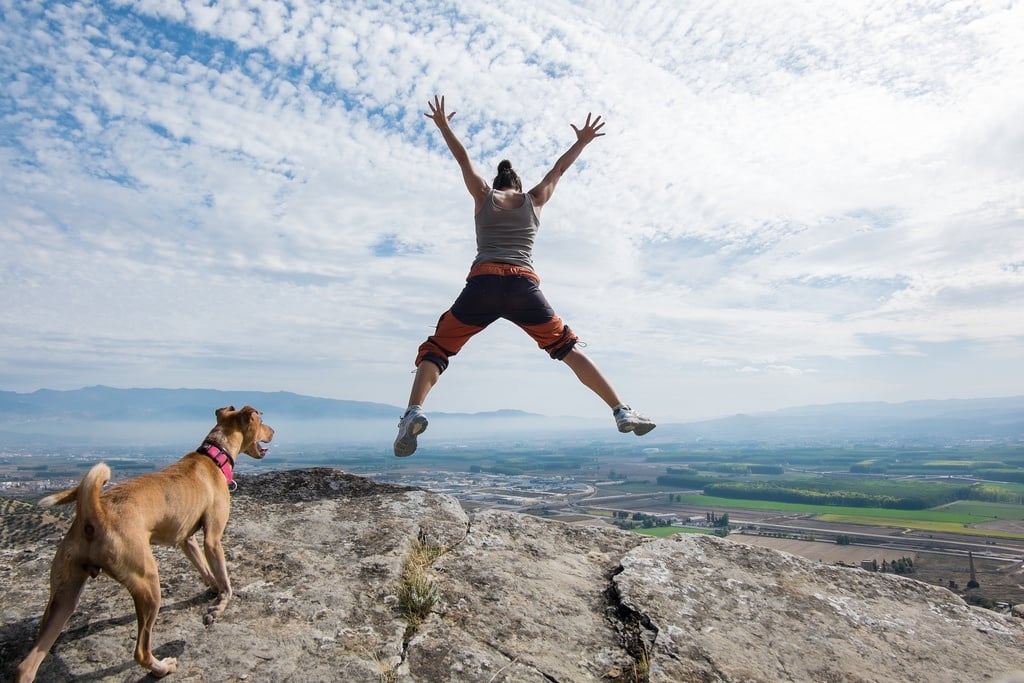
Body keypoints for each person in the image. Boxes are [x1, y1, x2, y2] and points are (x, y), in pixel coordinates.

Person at [394, 95, 655, 457]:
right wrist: (581, 141)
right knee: (566, 347)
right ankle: (620, 410)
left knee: (437, 349)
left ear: (499, 183)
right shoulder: (535, 199)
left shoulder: (484, 195)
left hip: (483, 284)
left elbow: (463, 160)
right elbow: (558, 170)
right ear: (519, 183)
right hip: (523, 286)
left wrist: (443, 126)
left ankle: (413, 413)